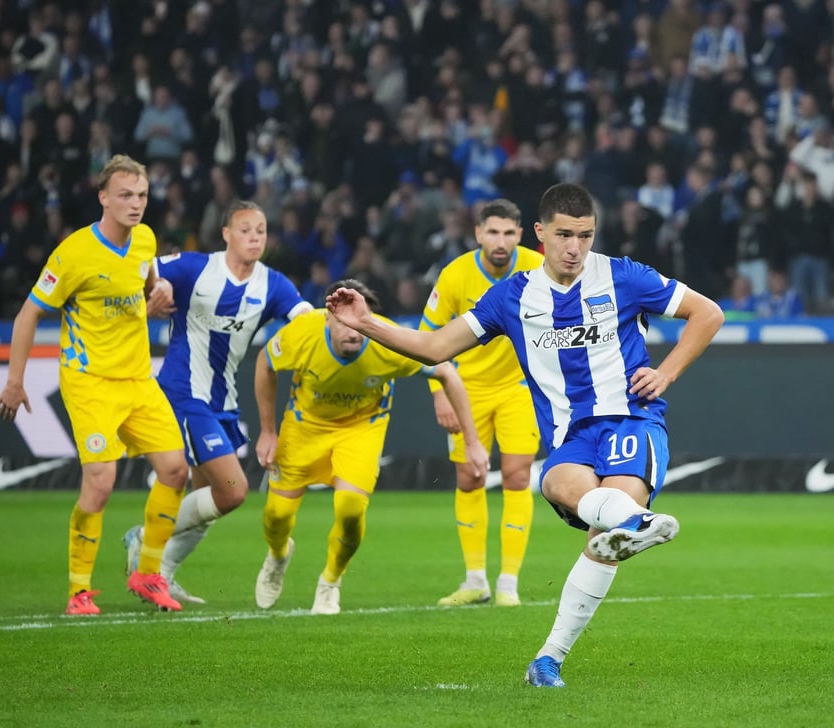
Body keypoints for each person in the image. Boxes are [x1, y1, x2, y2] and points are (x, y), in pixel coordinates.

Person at [327, 183, 724, 687]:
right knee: (559, 486)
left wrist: (665, 373)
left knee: (605, 529)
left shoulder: (623, 276)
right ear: (540, 235)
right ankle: (637, 524)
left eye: (585, 235)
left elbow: (707, 313)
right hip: (569, 436)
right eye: (564, 235)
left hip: (631, 421)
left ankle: (549, 659)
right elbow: (433, 347)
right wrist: (366, 322)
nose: (575, 248)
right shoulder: (513, 296)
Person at [0, 154, 189, 614]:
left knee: (176, 470)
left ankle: (148, 573)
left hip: (138, 378)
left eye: (141, 195)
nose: (136, 204)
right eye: (125, 195)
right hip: (90, 381)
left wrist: (157, 296)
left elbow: (145, 285)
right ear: (103, 197)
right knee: (101, 481)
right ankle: (79, 592)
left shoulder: (145, 240)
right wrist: (15, 381)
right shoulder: (75, 252)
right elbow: (29, 313)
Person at [252, 279, 489, 615]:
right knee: (277, 516)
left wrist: (474, 442)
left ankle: (330, 581)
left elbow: (448, 374)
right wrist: (266, 431)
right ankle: (277, 556)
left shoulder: (386, 340)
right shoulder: (301, 333)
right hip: (305, 428)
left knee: (350, 509)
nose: (353, 330)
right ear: (327, 318)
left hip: (361, 430)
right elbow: (264, 362)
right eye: (343, 322)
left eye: (358, 322)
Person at [122, 200, 313, 604]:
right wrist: (152, 290)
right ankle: (144, 535)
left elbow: (306, 320)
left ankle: (160, 573)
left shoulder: (272, 284)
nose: (254, 237)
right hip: (183, 392)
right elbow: (139, 269)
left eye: (261, 230)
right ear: (225, 233)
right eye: (245, 229)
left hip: (223, 399)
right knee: (233, 491)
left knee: (206, 502)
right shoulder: (193, 268)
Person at [420, 199, 544, 607]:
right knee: (470, 478)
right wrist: (440, 394)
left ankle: (508, 583)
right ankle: (475, 580)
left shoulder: (536, 267)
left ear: (520, 235)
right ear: (478, 234)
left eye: (509, 233)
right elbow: (428, 336)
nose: (501, 241)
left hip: (518, 388)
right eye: (493, 232)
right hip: (465, 389)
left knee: (517, 476)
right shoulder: (455, 275)